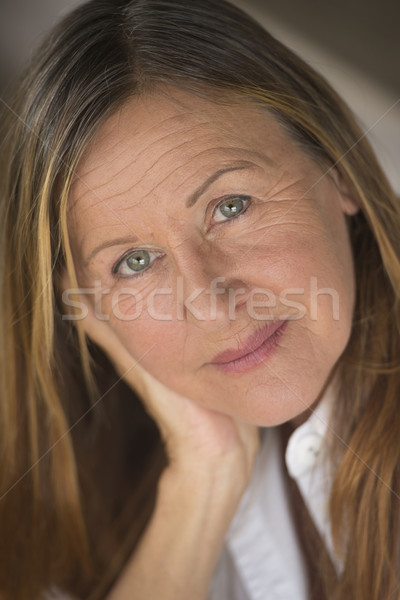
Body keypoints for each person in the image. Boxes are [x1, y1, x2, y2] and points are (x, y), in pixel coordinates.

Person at [0, 0, 399, 598]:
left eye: (230, 207)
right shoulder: (101, 498)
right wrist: (203, 475)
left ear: (337, 167)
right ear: (88, 306)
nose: (210, 305)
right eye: (135, 263)